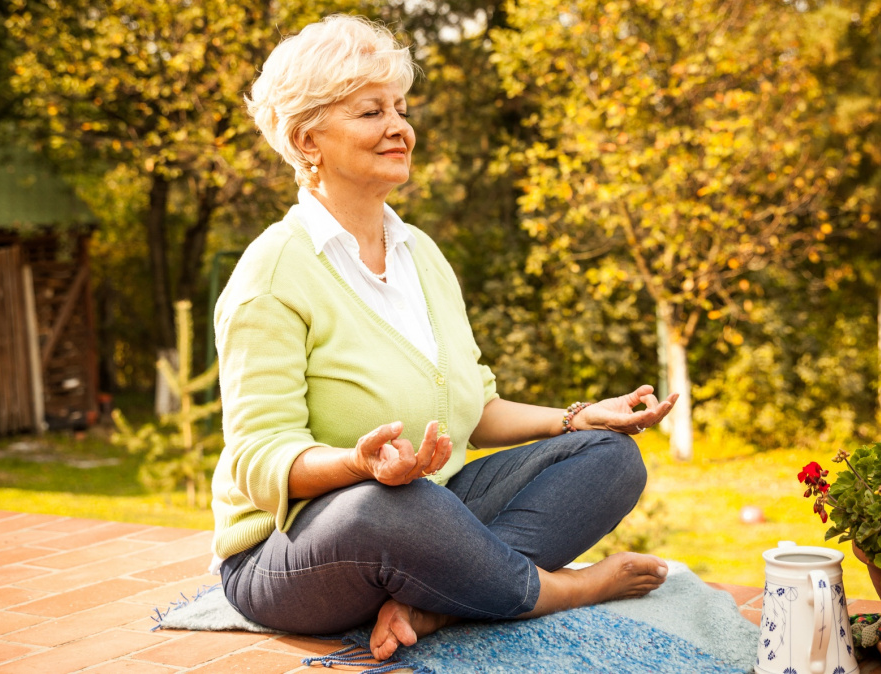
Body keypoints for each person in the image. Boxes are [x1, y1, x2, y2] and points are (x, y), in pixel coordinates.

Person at [211, 14, 680, 661]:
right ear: (307, 137)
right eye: (372, 111)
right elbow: (257, 456)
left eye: (400, 108)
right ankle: (559, 592)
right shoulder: (273, 273)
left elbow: (477, 409)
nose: (400, 127)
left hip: (432, 515)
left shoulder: (420, 255)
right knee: (385, 505)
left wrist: (576, 419)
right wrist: (357, 465)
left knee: (609, 457)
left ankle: (431, 605)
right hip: (290, 554)